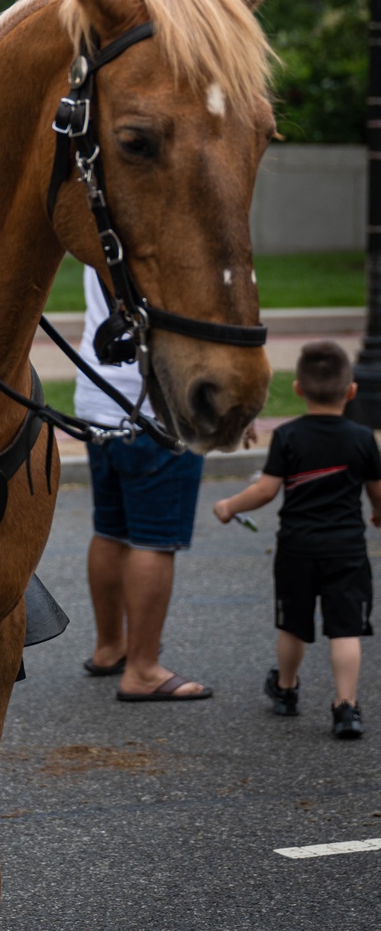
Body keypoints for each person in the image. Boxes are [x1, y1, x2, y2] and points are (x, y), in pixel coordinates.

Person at [213, 340, 381, 739]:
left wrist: (230, 506)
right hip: (347, 550)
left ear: (299, 390)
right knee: (345, 631)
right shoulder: (362, 438)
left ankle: (286, 690)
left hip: (297, 549)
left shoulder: (288, 436)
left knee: (293, 625)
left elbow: (266, 491)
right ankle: (346, 707)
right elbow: (377, 493)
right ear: (351, 390)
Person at [76, 267, 211, 701]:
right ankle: (143, 669)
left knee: (111, 530)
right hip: (157, 404)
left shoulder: (105, 218)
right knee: (154, 541)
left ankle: (109, 647)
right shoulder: (171, 229)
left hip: (98, 396)